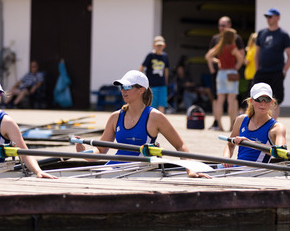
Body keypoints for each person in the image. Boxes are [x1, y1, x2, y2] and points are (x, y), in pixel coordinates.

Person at [74, 70, 210, 178]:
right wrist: (84, 153)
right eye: (122, 86)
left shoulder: (155, 117)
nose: (123, 90)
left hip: (139, 170)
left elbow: (180, 146)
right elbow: (101, 150)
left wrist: (190, 169)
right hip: (114, 168)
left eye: (127, 86)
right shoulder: (115, 117)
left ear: (141, 90)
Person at [223, 83, 286, 167]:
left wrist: (251, 143)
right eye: (259, 99)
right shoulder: (241, 120)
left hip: (256, 173)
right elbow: (230, 144)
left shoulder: (277, 128)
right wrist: (226, 158)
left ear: (271, 102)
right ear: (251, 101)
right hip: (237, 170)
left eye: (266, 99)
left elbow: (280, 152)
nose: (263, 103)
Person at [253, 8, 290, 119]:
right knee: (256, 98)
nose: (268, 19)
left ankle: (272, 126)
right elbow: (257, 53)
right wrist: (257, 69)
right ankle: (257, 123)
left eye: (270, 16)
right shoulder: (262, 33)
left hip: (276, 71)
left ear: (277, 17)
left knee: (275, 100)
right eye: (267, 17)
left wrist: (284, 71)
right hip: (262, 72)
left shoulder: (283, 34)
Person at [208, 16, 245, 130]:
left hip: (221, 73)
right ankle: (231, 125)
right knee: (232, 100)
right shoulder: (233, 47)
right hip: (231, 72)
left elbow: (208, 56)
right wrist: (236, 67)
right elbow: (241, 59)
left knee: (220, 100)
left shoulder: (220, 46)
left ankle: (219, 125)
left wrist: (217, 61)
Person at [140, 36, 170, 113]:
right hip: (152, 85)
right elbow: (142, 67)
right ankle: (151, 122)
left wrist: (166, 81)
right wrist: (140, 80)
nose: (159, 47)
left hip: (162, 84)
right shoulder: (150, 55)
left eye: (161, 45)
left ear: (164, 46)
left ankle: (160, 123)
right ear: (154, 45)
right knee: (152, 105)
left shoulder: (165, 56)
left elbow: (166, 69)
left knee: (162, 104)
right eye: (157, 45)